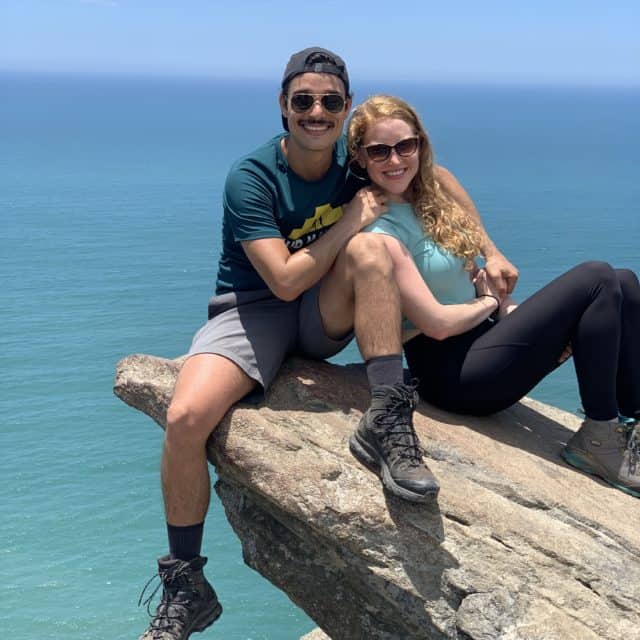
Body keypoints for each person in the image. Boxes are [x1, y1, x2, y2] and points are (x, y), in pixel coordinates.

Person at [138, 49, 517, 640]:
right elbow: (283, 279)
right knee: (186, 416)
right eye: (303, 101)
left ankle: (387, 419)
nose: (317, 112)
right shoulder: (253, 177)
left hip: (323, 311)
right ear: (283, 107)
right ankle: (186, 584)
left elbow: (435, 177)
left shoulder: (359, 157)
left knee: (371, 252)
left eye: (330, 102)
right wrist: (349, 220)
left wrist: (489, 251)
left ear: (345, 109)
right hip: (255, 307)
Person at [345, 94, 640, 500]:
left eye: (404, 146)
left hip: (486, 343)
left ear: (420, 145)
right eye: (379, 151)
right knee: (597, 278)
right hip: (452, 374)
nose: (395, 160)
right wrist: (488, 302)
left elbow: (473, 259)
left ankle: (630, 424)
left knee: (623, 281)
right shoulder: (377, 231)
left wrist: (503, 298)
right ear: (360, 158)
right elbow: (436, 324)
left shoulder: (432, 196)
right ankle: (598, 439)